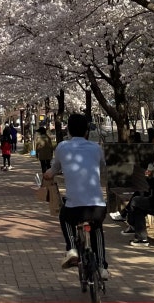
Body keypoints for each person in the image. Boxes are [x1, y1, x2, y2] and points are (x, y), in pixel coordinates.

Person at [44, 112, 109, 279]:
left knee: (64, 216)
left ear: (69, 131)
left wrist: (48, 175)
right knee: (97, 229)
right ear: (87, 131)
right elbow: (102, 168)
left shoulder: (62, 147)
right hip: (97, 207)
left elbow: (54, 169)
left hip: (75, 208)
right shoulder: (96, 148)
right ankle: (102, 267)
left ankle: (72, 248)